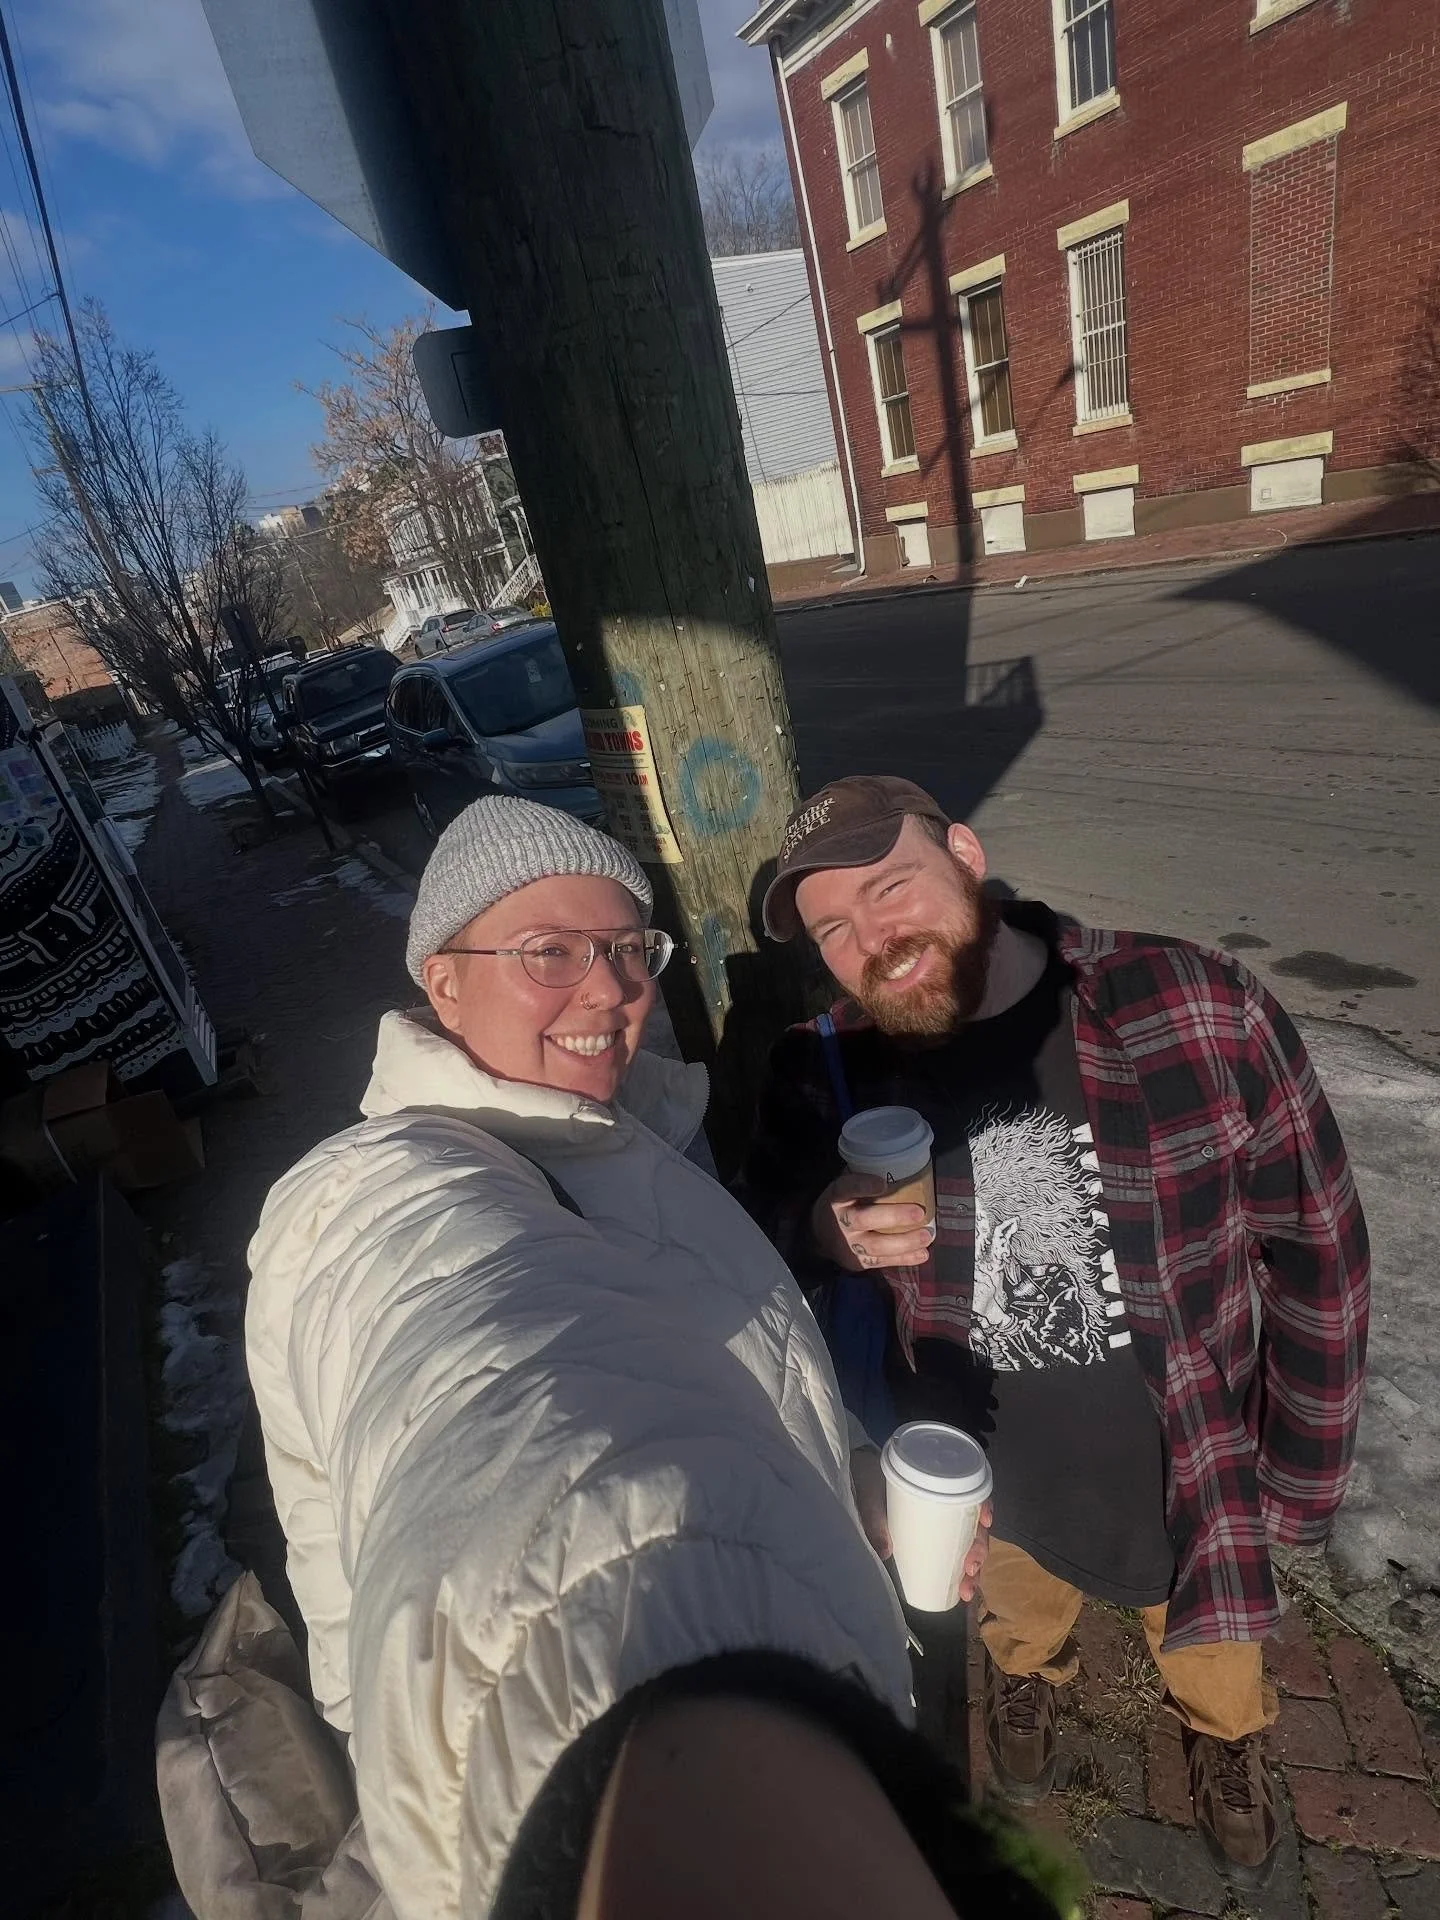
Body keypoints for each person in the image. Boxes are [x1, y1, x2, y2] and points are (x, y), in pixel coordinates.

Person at [244, 795, 1019, 1920]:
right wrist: (667, 1740)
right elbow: (505, 1406)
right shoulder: (387, 1189)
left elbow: (717, 1368)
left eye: (623, 950)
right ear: (440, 981)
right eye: (547, 952)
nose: (608, 988)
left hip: (826, 1645)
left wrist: (845, 1477)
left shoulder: (634, 1130)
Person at [742, 775, 1371, 1893]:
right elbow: (762, 1238)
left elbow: (1317, 1249)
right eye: (835, 927)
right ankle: (1030, 1679)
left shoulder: (1193, 1004)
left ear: (968, 857)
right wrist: (829, 1233)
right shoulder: (827, 1064)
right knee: (1017, 1615)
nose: (872, 941)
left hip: (1191, 1474)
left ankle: (1229, 1749)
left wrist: (1299, 1482)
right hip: (983, 1474)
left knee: (1221, 1666)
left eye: (892, 889)